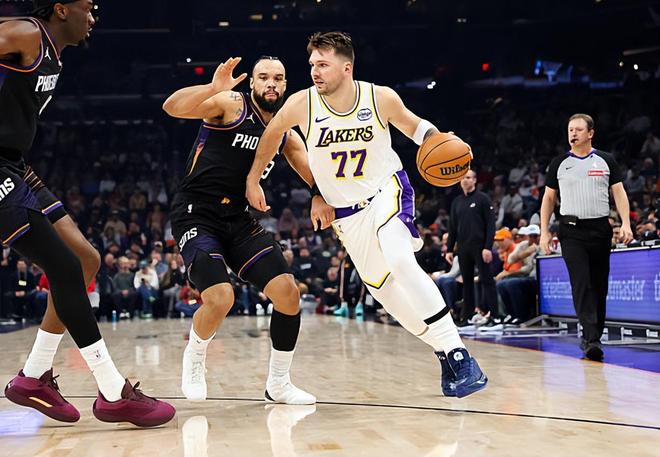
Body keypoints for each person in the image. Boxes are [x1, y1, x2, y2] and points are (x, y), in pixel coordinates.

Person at [247, 31, 487, 398]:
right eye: (312, 64)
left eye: (323, 64)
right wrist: (255, 179)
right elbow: (272, 135)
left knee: (400, 260)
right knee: (388, 294)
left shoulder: (379, 97)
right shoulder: (301, 104)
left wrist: (439, 139)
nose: (314, 71)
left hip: (385, 193)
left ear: (346, 67)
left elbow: (415, 126)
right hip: (347, 217)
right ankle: (444, 352)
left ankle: (459, 354)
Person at [1, 0, 174, 425]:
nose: (94, 17)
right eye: (88, 8)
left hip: (16, 165)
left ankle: (33, 377)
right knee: (62, 267)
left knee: (85, 260)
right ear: (61, 9)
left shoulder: (51, 52)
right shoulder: (26, 32)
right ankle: (113, 391)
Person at [162, 55, 315, 404]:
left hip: (238, 218)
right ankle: (195, 357)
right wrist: (212, 88)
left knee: (288, 294)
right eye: (264, 77)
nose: (271, 83)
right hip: (196, 212)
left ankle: (278, 383)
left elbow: (311, 173)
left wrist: (321, 195)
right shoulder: (232, 105)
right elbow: (172, 107)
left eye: (278, 78)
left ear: (285, 84)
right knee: (221, 297)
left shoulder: (284, 132)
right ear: (253, 83)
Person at [540, 113, 633, 361]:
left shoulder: (606, 160)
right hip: (571, 231)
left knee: (599, 286)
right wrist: (544, 232)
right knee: (581, 282)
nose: (573, 133)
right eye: (570, 129)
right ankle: (591, 339)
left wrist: (626, 223)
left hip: (600, 229)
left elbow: (619, 192)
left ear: (590, 133)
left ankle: (594, 336)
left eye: (578, 129)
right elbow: (548, 198)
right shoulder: (559, 163)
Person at [446, 170, 498, 325]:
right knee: (466, 282)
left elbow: (491, 225)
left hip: (480, 246)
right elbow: (452, 227)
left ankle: (495, 316)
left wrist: (488, 247)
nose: (465, 180)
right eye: (463, 178)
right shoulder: (456, 202)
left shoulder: (483, 199)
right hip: (463, 247)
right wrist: (449, 249)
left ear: (475, 180)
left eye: (468, 177)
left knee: (486, 280)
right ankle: (467, 316)